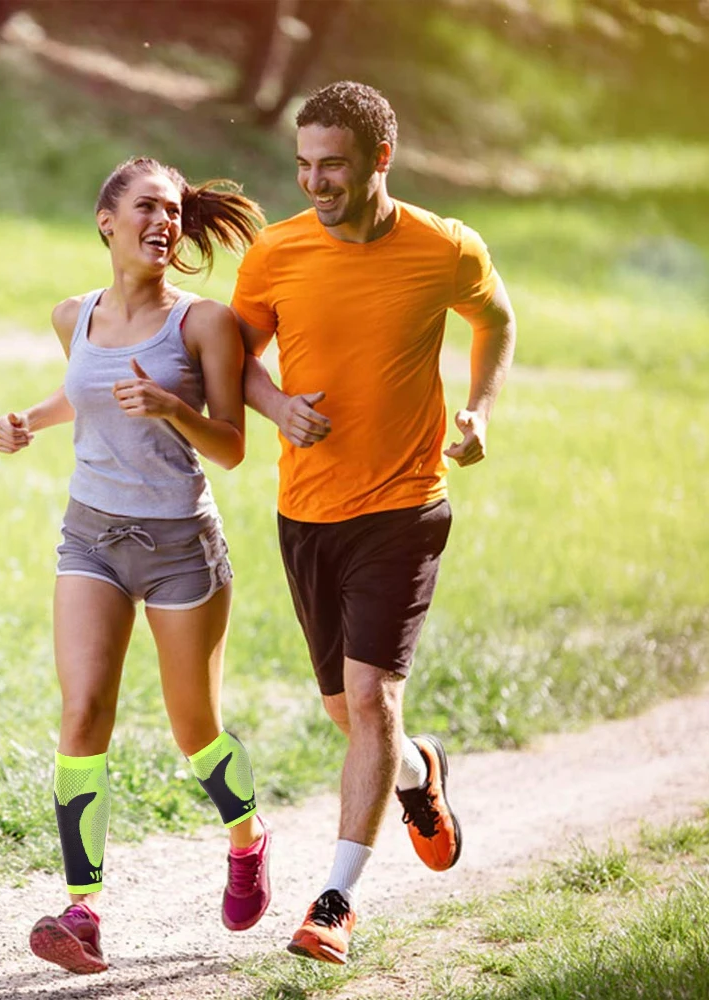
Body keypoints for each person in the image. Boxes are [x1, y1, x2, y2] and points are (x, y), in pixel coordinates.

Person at [231, 81, 517, 965]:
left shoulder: (443, 246)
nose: (317, 182)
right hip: (306, 509)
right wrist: (277, 404)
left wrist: (479, 412)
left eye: (335, 166)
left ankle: (336, 902)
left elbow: (496, 320)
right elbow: (234, 359)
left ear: (379, 159)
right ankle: (418, 773)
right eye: (305, 165)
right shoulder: (276, 253)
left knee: (369, 698)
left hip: (404, 505)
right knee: (344, 712)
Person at [0, 157, 270, 975]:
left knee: (196, 731)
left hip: (182, 547)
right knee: (82, 713)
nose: (166, 221)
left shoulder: (203, 324)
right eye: (148, 206)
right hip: (92, 537)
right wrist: (29, 421)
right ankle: (82, 912)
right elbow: (86, 390)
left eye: (176, 211)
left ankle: (248, 838)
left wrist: (175, 408)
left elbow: (232, 447)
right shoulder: (71, 315)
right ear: (106, 219)